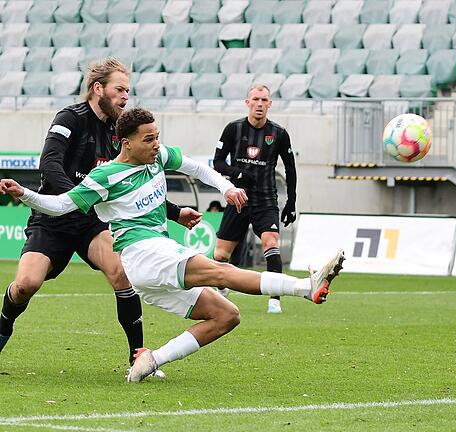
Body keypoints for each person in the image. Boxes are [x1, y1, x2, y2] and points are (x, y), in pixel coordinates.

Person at [0, 107, 345, 382]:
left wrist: (225, 188)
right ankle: (305, 288)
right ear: (126, 142)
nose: (156, 144)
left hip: (154, 260)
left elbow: (197, 167)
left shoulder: (158, 156)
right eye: (148, 139)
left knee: (226, 315)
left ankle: (150, 360)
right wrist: (25, 194)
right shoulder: (104, 178)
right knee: (220, 271)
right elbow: (61, 205)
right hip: (143, 254)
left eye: (157, 137)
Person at [0, 58, 201, 376]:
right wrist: (77, 199)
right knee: (25, 284)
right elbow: (49, 163)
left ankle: (139, 356)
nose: (125, 97)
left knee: (122, 274)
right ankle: (3, 325)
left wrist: (174, 212)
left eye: (128, 91)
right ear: (98, 89)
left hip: (92, 222)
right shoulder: (70, 118)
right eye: (120, 90)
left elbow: (136, 184)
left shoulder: (119, 132)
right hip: (53, 217)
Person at [212, 84, 297, 314]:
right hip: (238, 198)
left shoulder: (278, 133)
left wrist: (291, 202)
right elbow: (217, 162)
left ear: (270, 104)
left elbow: (290, 168)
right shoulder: (233, 129)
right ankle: (221, 290)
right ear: (247, 102)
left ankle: (275, 299)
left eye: (264, 100)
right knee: (220, 255)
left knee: (271, 242)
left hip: (266, 199)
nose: (259, 104)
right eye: (255, 99)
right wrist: (236, 173)